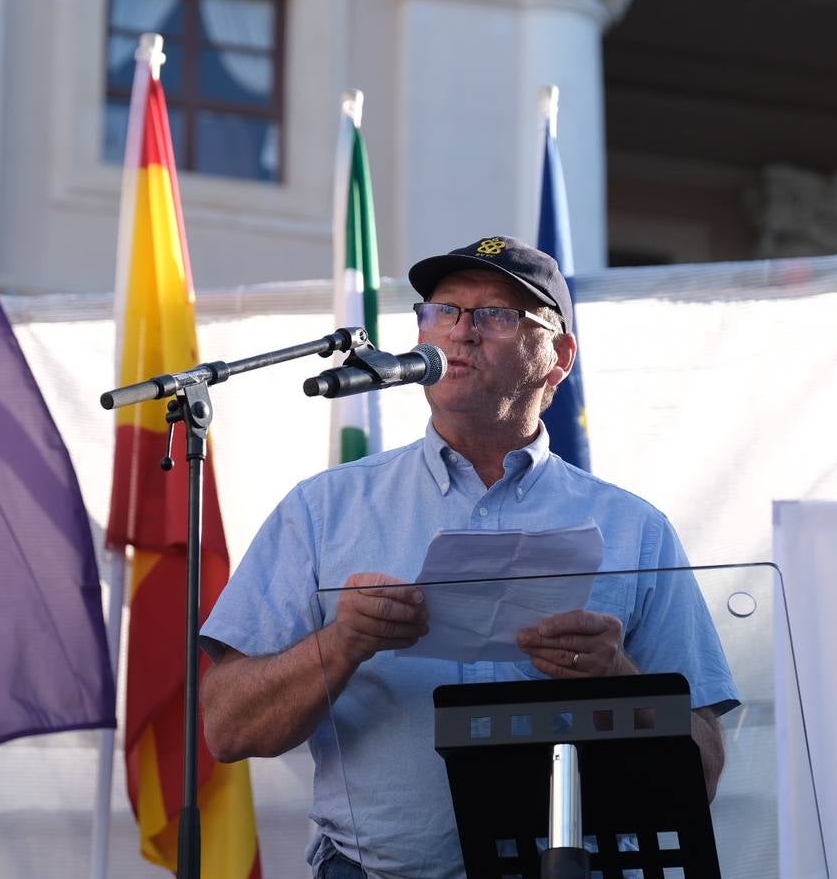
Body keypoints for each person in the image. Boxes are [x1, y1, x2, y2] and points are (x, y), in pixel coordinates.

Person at [200, 236, 738, 879]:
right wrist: (341, 644)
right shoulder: (324, 510)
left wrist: (615, 677)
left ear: (558, 359)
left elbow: (702, 768)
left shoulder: (637, 530)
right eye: (444, 311)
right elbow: (227, 727)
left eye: (496, 315)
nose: (461, 333)